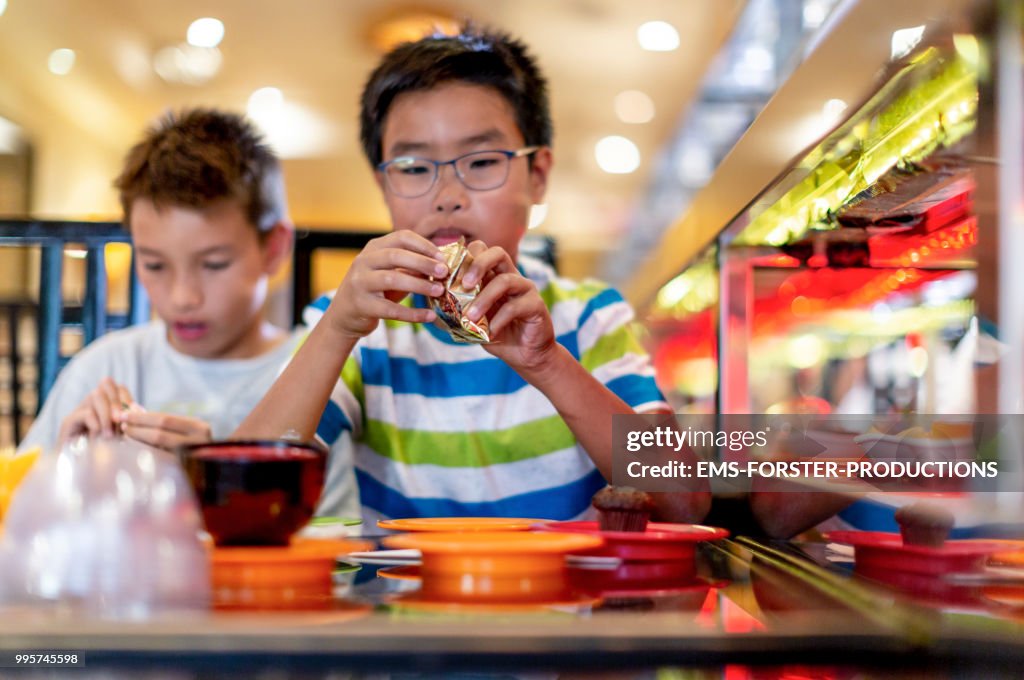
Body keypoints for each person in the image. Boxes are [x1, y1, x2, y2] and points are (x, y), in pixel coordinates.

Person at [236, 25, 710, 524]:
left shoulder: (590, 315)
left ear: (539, 176)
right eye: (414, 167)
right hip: (406, 602)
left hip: (567, 601)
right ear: (384, 185)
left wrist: (548, 363)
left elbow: (684, 504)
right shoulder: (357, 331)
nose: (446, 193)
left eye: (482, 161)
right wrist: (335, 330)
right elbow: (245, 496)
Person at [17, 108, 358, 517]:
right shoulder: (104, 367)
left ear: (274, 248)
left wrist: (218, 479)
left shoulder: (316, 378)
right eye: (155, 265)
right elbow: (16, 520)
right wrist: (70, 471)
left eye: (213, 264)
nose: (182, 297)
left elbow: (335, 550)